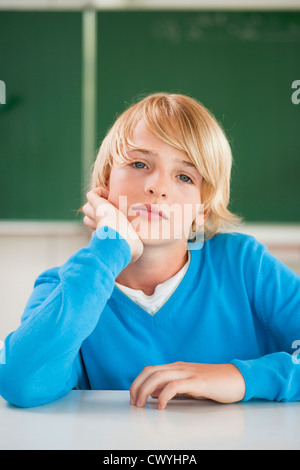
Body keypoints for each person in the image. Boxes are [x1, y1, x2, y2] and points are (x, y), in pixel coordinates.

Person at [0, 92, 299, 409]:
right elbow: (20, 382)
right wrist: (111, 245)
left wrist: (240, 377)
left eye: (184, 176)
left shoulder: (243, 265)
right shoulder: (69, 286)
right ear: (105, 183)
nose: (158, 187)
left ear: (203, 210)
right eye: (139, 164)